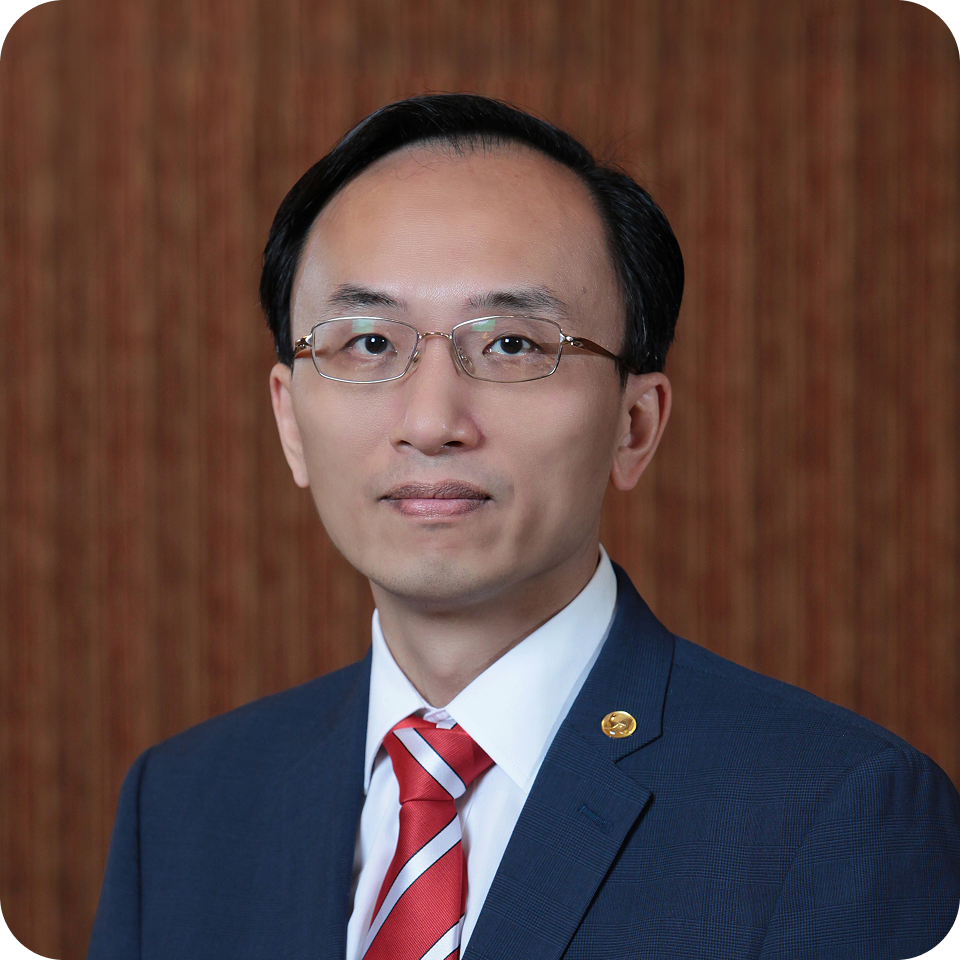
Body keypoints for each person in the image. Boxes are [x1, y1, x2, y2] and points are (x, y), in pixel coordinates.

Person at [87, 94, 959, 960]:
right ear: (289, 421)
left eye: (510, 345)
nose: (431, 422)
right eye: (367, 343)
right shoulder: (184, 807)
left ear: (635, 425)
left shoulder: (835, 816)